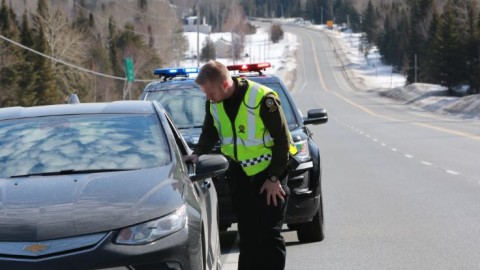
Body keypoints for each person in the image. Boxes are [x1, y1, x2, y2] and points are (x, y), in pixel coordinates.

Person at [184, 60, 297, 270]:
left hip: (269, 174)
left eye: (210, 92)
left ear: (224, 85)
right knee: (248, 236)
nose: (207, 97)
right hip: (241, 176)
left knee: (269, 235)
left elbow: (282, 141)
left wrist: (274, 178)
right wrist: (197, 153)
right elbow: (210, 132)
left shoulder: (263, 99)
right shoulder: (213, 103)